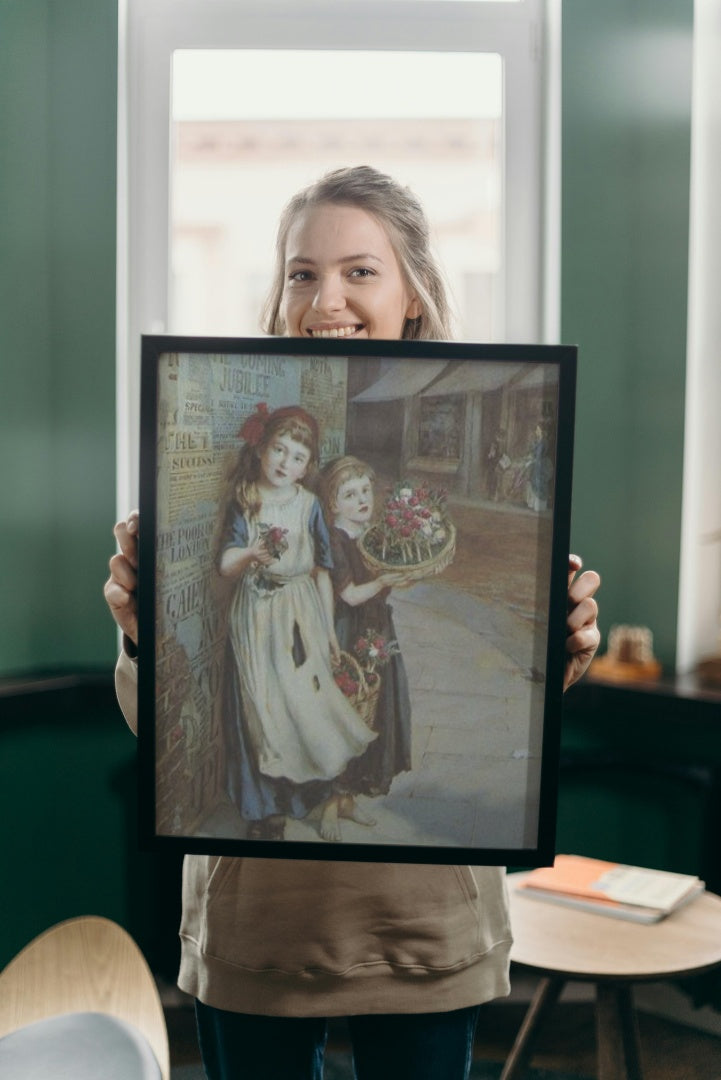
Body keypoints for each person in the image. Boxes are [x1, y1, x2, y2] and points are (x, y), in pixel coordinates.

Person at [105, 165, 601, 1080]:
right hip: (257, 927)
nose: (324, 297)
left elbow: (515, 709)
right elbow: (157, 730)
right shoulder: (240, 478)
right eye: (301, 272)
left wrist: (560, 652)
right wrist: (139, 637)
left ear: (413, 292)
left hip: (422, 926)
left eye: (359, 271)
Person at [216, 407, 377, 842]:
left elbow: (323, 571)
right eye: (279, 451)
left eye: (297, 457)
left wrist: (326, 631)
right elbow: (227, 564)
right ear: (262, 450)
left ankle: (310, 796)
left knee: (304, 704)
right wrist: (252, 554)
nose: (285, 464)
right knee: (262, 707)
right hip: (256, 614)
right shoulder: (247, 497)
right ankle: (264, 809)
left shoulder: (308, 506)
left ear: (308, 467)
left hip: (299, 614)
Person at [317, 455, 413, 842]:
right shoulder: (335, 540)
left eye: (366, 490)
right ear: (333, 504)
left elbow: (378, 586)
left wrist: (398, 575)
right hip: (348, 633)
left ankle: (349, 801)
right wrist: (384, 580)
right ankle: (327, 806)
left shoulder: (370, 537)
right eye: (350, 494)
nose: (362, 499)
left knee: (372, 714)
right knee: (345, 716)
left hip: (377, 629)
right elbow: (351, 595)